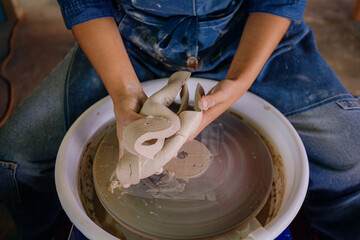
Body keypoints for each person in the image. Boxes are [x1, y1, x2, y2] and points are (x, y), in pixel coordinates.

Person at [0, 0, 359, 239]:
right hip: (130, 40)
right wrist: (124, 93)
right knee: (16, 161)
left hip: (251, 34)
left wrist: (238, 83)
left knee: (352, 164)